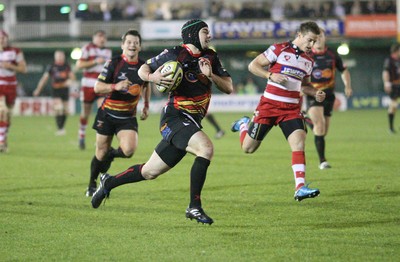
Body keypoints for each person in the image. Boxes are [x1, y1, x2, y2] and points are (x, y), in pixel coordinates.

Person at [91, 19, 233, 225]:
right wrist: (153, 78)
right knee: (206, 149)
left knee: (149, 172)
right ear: (193, 34)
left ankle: (108, 182)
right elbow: (143, 70)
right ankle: (194, 206)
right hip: (174, 117)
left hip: (192, 121)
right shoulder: (174, 54)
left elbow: (228, 87)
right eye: (205, 32)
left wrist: (211, 76)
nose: (209, 36)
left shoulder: (211, 56)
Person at [231, 21, 326, 202]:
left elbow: (304, 86)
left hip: (291, 110)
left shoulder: (309, 61)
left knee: (299, 143)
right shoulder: (279, 49)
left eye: (314, 42)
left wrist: (316, 92)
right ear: (299, 35)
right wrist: (270, 75)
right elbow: (253, 66)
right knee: (248, 149)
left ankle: (300, 187)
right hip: (268, 107)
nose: (312, 45)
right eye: (309, 40)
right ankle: (244, 124)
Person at [85, 29, 150, 197]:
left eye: (136, 42)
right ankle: (91, 184)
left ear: (140, 47)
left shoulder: (144, 67)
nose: (132, 45)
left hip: (127, 117)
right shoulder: (113, 63)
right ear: (122, 45)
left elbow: (146, 85)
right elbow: (97, 87)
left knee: (128, 151)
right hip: (107, 114)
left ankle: (112, 155)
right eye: (129, 42)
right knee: (100, 152)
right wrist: (115, 86)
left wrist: (146, 105)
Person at [305, 28, 352, 169]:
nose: (319, 38)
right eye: (316, 36)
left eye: (321, 36)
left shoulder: (332, 54)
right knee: (319, 126)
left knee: (323, 131)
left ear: (325, 37)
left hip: (329, 95)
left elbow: (343, 70)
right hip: (313, 94)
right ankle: (323, 161)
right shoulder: (307, 55)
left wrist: (348, 86)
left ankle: (305, 119)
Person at [76, 30, 112, 150]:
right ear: (94, 38)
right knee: (85, 113)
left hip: (102, 85)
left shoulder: (108, 51)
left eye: (104, 37)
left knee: (103, 111)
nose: (102, 39)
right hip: (88, 85)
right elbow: (79, 65)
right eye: (99, 36)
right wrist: (95, 61)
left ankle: (99, 139)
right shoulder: (87, 48)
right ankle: (81, 135)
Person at [33, 50, 76, 135]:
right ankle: (60, 128)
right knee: (59, 108)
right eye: (58, 56)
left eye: (61, 55)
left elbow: (73, 78)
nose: (60, 57)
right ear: (55, 57)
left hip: (65, 90)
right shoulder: (51, 67)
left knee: (65, 110)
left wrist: (70, 81)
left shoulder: (67, 66)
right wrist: (38, 89)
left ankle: (62, 128)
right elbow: (44, 79)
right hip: (56, 90)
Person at [0, 30, 27, 153]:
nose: (1, 40)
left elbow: (23, 68)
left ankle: (3, 138)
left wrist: (10, 66)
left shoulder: (15, 51)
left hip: (11, 86)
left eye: (3, 37)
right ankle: (1, 140)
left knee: (8, 116)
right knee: (2, 110)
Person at [382, 43, 400, 134]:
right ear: (396, 50)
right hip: (394, 85)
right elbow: (385, 72)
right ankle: (391, 128)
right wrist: (387, 83)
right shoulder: (389, 60)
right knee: (393, 105)